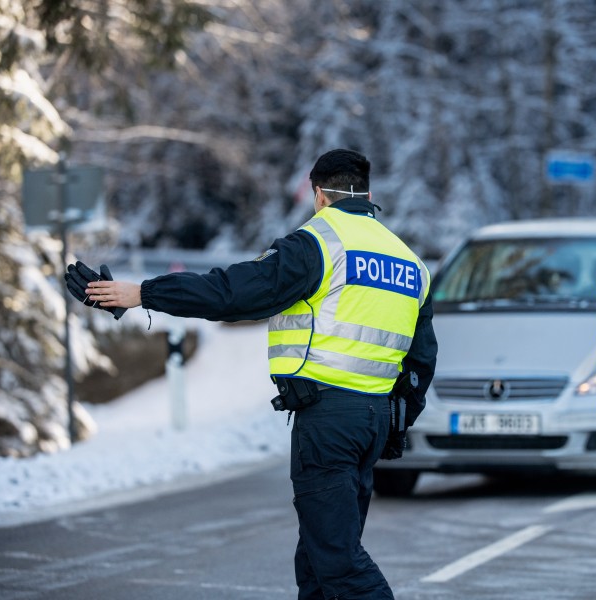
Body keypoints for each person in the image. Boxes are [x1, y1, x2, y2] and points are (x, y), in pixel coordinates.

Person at [78, 149, 438, 600]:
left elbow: (233, 293)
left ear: (319, 194)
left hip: (328, 422)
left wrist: (142, 292)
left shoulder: (319, 243)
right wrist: (394, 421)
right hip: (372, 420)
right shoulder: (409, 262)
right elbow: (421, 362)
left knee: (339, 561)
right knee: (317, 560)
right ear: (368, 194)